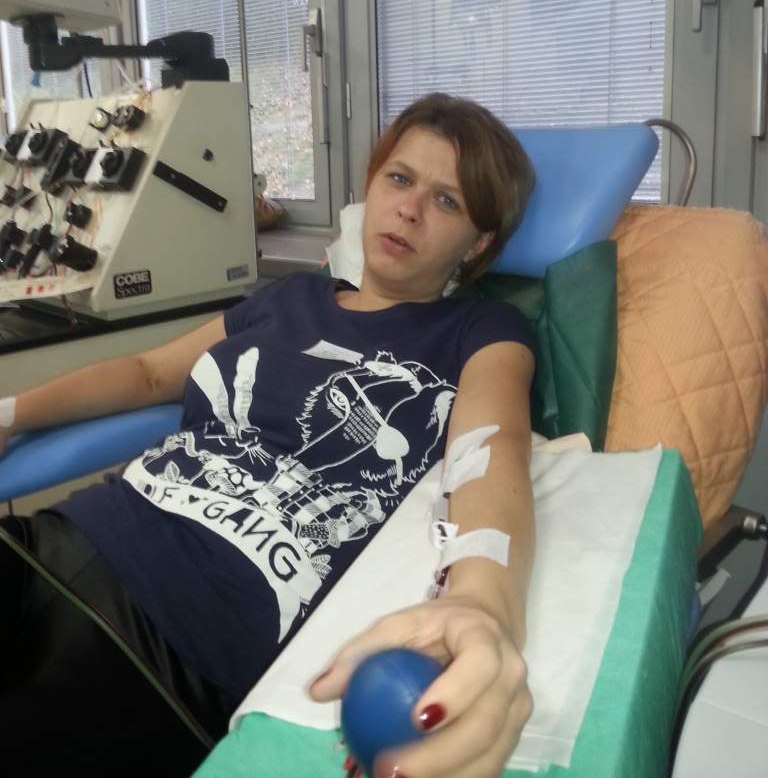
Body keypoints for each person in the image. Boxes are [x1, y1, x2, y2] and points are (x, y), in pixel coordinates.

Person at [0, 92, 537, 778]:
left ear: (480, 242)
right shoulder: (287, 298)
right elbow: (145, 372)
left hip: (176, 648)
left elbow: (492, 447)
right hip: (65, 540)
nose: (409, 209)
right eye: (400, 179)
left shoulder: (480, 333)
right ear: (371, 186)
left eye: (448, 201)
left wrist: (483, 602)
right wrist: (9, 413)